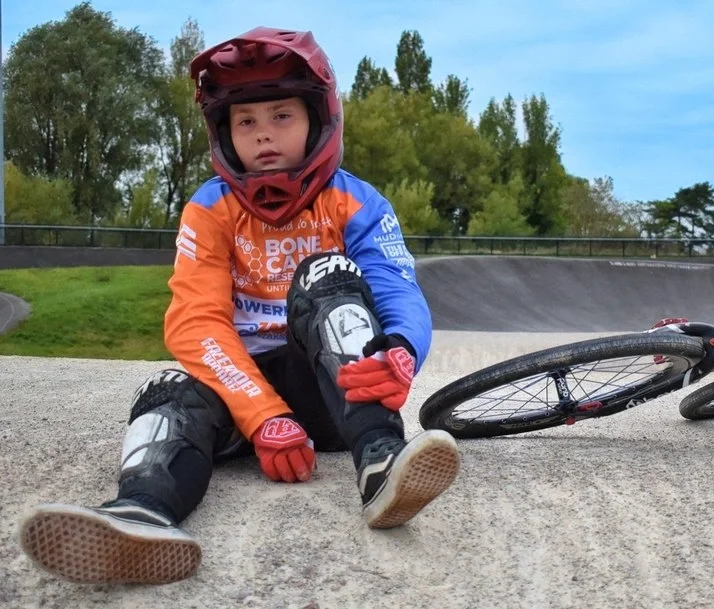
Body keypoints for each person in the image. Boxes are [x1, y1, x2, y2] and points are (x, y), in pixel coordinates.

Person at [17, 26, 460, 586]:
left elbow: (396, 287)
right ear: (224, 132)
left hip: (328, 390)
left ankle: (380, 461)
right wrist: (263, 415)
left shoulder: (357, 200)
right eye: (245, 121)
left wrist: (400, 349)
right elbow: (196, 321)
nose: (263, 135)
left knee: (327, 273)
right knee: (166, 392)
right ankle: (140, 514)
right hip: (239, 391)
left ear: (319, 120)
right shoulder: (208, 208)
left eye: (282, 116)